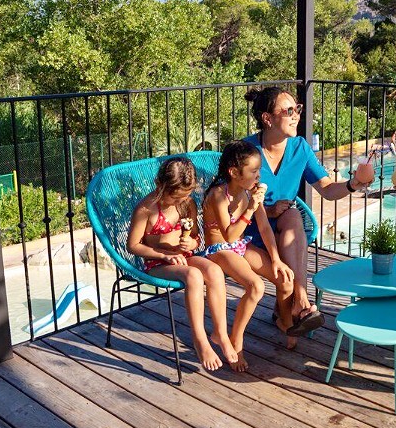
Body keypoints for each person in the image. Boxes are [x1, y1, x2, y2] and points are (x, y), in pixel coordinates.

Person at [243, 87, 373, 336]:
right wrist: (267, 211)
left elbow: (326, 189)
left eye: (297, 109)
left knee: (292, 214)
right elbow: (230, 200)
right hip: (249, 231)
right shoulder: (246, 151)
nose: (296, 116)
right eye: (288, 110)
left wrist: (352, 184)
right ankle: (297, 307)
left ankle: (300, 300)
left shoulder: (300, 147)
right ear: (267, 118)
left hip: (285, 228)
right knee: (290, 216)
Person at [127, 157, 238, 372]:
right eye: (174, 196)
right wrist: (162, 254)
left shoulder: (186, 204)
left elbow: (196, 236)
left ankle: (221, 334)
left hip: (185, 256)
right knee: (194, 276)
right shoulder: (146, 209)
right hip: (157, 262)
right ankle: (200, 339)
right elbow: (133, 245)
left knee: (214, 270)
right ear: (160, 186)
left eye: (184, 196)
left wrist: (193, 241)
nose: (179, 201)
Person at [203, 140, 298, 357]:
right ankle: (235, 339)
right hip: (219, 249)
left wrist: (276, 259)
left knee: (284, 278)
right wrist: (251, 207)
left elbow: (264, 227)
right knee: (256, 286)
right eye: (254, 171)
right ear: (234, 172)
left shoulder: (248, 192)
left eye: (259, 170)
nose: (258, 176)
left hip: (240, 245)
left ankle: (286, 322)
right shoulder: (219, 195)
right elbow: (228, 235)